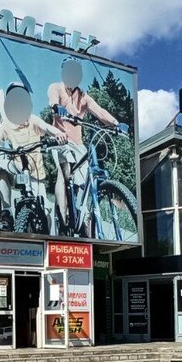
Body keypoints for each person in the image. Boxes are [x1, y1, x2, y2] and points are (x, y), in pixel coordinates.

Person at [47, 58, 124, 236]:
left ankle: (82, 218)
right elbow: (53, 101)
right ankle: (63, 216)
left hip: (79, 145)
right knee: (65, 171)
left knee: (83, 183)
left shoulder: (84, 96)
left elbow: (100, 111)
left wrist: (116, 123)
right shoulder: (56, 88)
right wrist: (57, 108)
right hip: (61, 141)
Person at [0, 83, 67, 230]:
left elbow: (47, 127)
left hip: (35, 172)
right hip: (17, 166)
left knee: (45, 213)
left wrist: (59, 134)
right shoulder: (7, 124)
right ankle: (7, 212)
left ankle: (47, 239)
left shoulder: (33, 119)